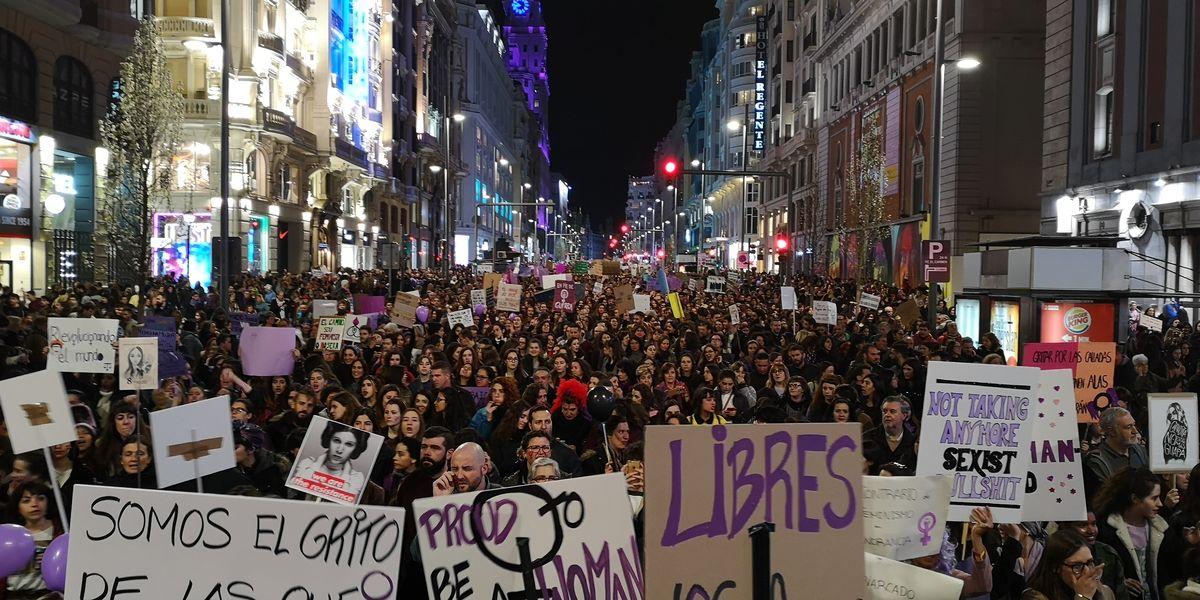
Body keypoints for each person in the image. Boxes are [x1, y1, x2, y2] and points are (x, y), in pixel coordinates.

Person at [1096, 468, 1168, 600]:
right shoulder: (1106, 531)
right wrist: (1119, 583)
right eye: (1154, 498)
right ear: (1135, 498)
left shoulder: (1162, 528)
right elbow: (1099, 571)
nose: (1160, 503)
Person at [3, 480, 64, 598]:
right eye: (26, 500)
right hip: (14, 595)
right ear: (18, 508)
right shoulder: (9, 534)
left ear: (48, 502)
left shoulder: (61, 531)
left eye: (40, 498)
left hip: (47, 595)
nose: (34, 504)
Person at [1021, 529, 1114, 600]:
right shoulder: (1034, 596)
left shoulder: (1105, 592)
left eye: (1089, 563)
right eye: (1077, 566)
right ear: (1056, 567)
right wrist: (1083, 597)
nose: (1086, 572)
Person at [290, 421, 370, 498]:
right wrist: (318, 463)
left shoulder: (356, 477)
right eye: (336, 440)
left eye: (349, 444)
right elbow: (298, 485)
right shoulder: (307, 464)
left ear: (355, 448)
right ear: (328, 440)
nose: (339, 450)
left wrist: (346, 474)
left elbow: (344, 498)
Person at [1086, 408, 1150, 496]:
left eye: (1134, 425)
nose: (1135, 431)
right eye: (1128, 427)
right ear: (1112, 431)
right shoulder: (1097, 461)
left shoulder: (1139, 450)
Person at [862, 396, 917, 476]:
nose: (887, 415)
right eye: (884, 411)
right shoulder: (867, 438)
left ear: (904, 416)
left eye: (892, 411)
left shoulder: (913, 442)